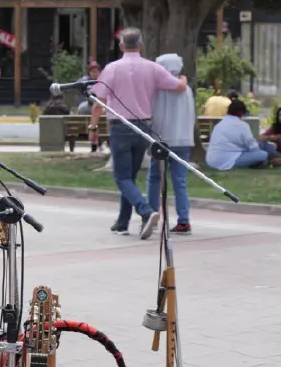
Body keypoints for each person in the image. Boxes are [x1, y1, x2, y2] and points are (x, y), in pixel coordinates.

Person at [90, 28, 188, 238]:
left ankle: (145, 211)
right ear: (141, 46)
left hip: (120, 126)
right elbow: (178, 87)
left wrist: (93, 127)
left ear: (121, 46)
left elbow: (98, 101)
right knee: (130, 177)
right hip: (143, 128)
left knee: (122, 177)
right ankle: (123, 222)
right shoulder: (152, 68)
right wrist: (184, 79)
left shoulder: (112, 69)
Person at [146, 54, 196, 235]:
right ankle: (184, 220)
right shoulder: (186, 89)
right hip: (183, 140)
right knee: (180, 181)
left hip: (163, 139)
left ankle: (150, 214)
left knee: (154, 178)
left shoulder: (159, 88)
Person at [206, 99, 281, 170]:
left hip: (211, 160)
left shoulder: (220, 124)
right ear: (242, 112)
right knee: (263, 154)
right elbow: (252, 147)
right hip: (229, 160)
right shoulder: (241, 125)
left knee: (262, 145)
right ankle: (274, 160)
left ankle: (272, 159)